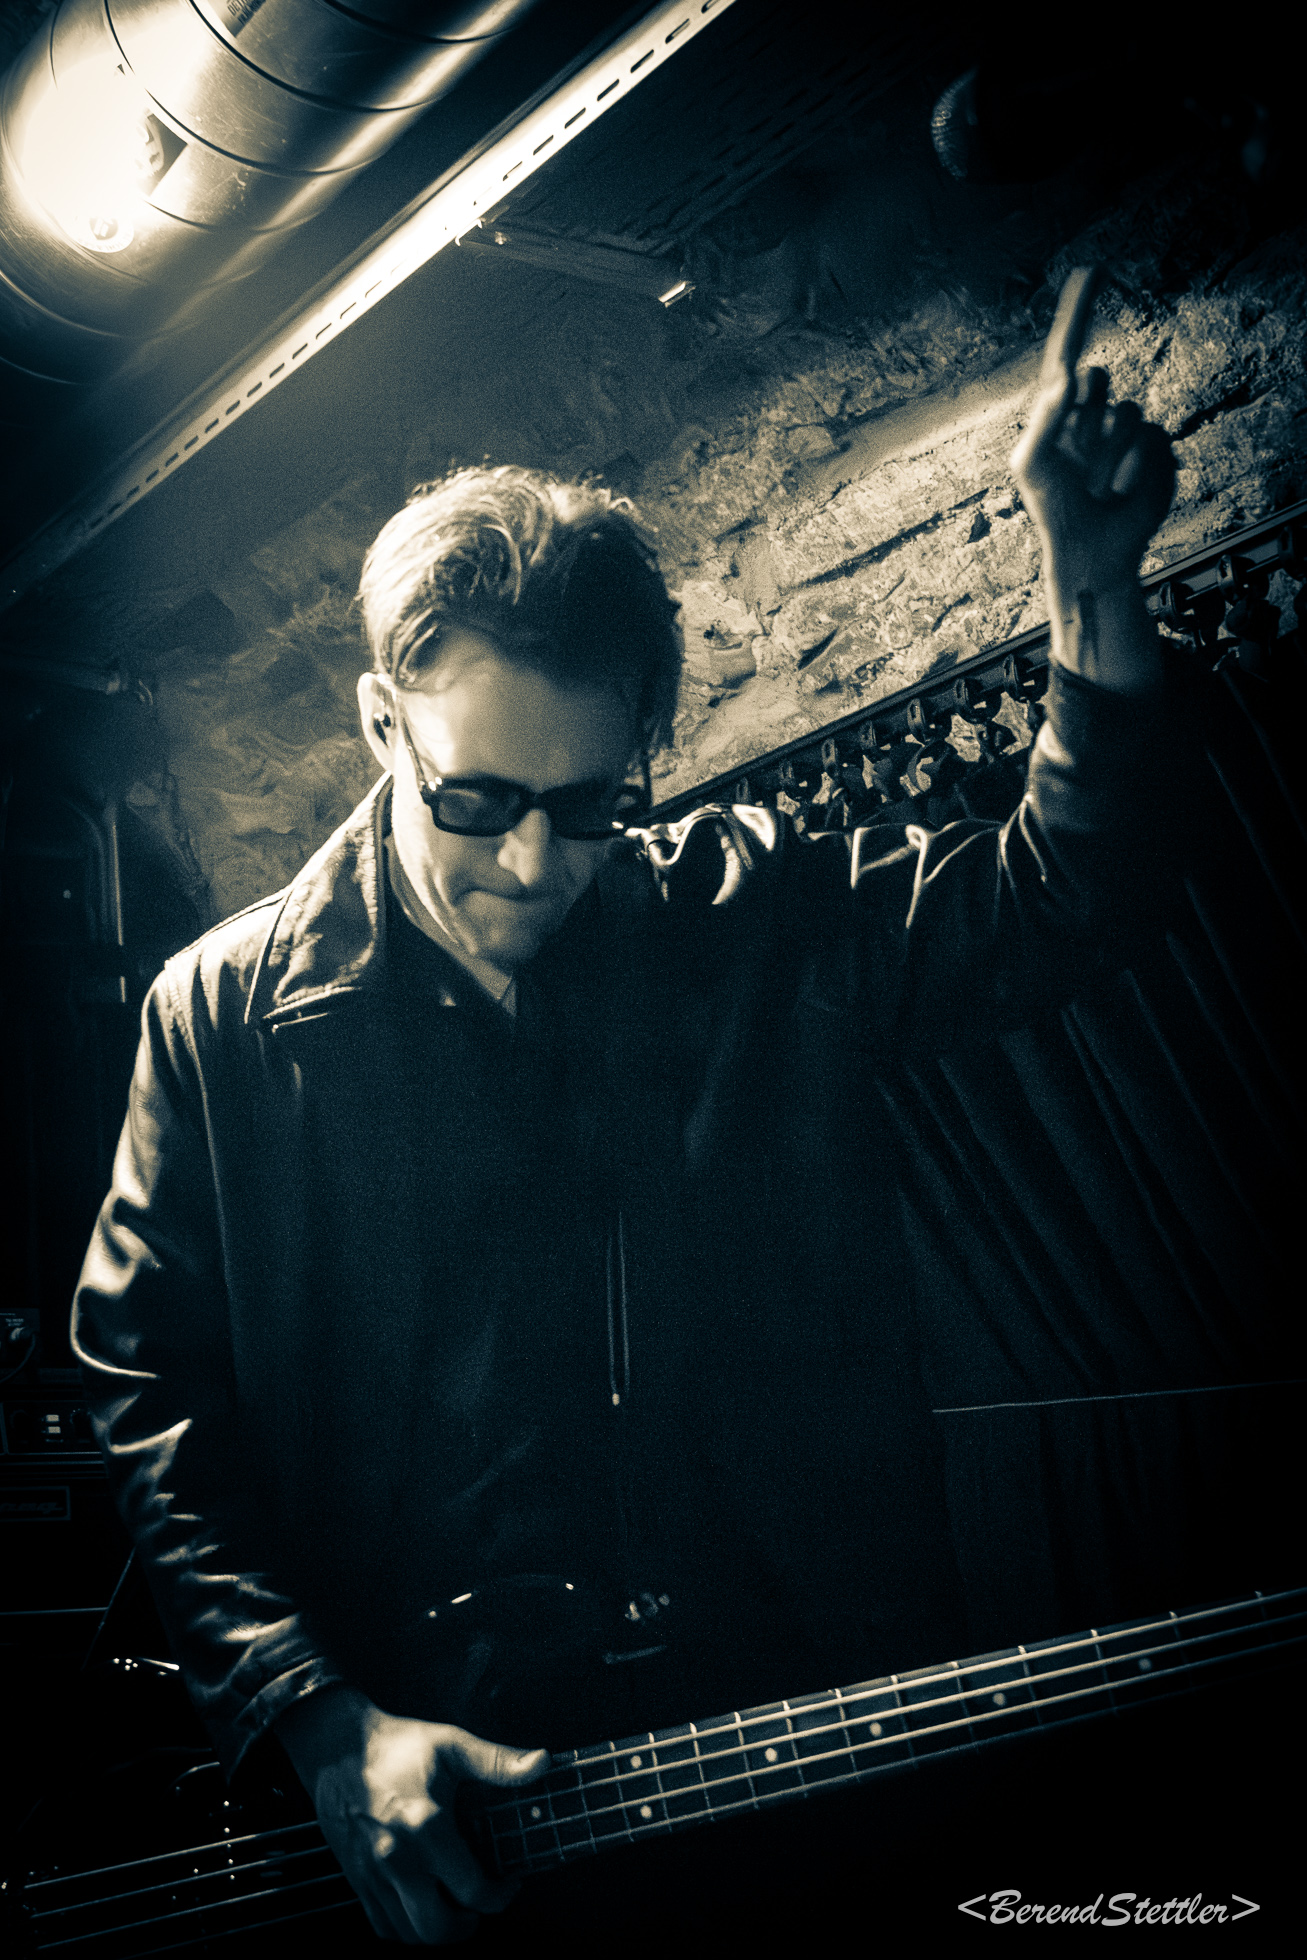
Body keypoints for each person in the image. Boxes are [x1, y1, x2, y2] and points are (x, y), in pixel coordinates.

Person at [74, 268, 1184, 1946]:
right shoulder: (219, 1015)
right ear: (380, 723)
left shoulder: (754, 916)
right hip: (451, 1828)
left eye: (588, 805)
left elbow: (1062, 901)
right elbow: (152, 1394)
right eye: (477, 800)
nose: (536, 864)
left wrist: (1090, 584)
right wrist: (314, 1716)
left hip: (799, 1773)